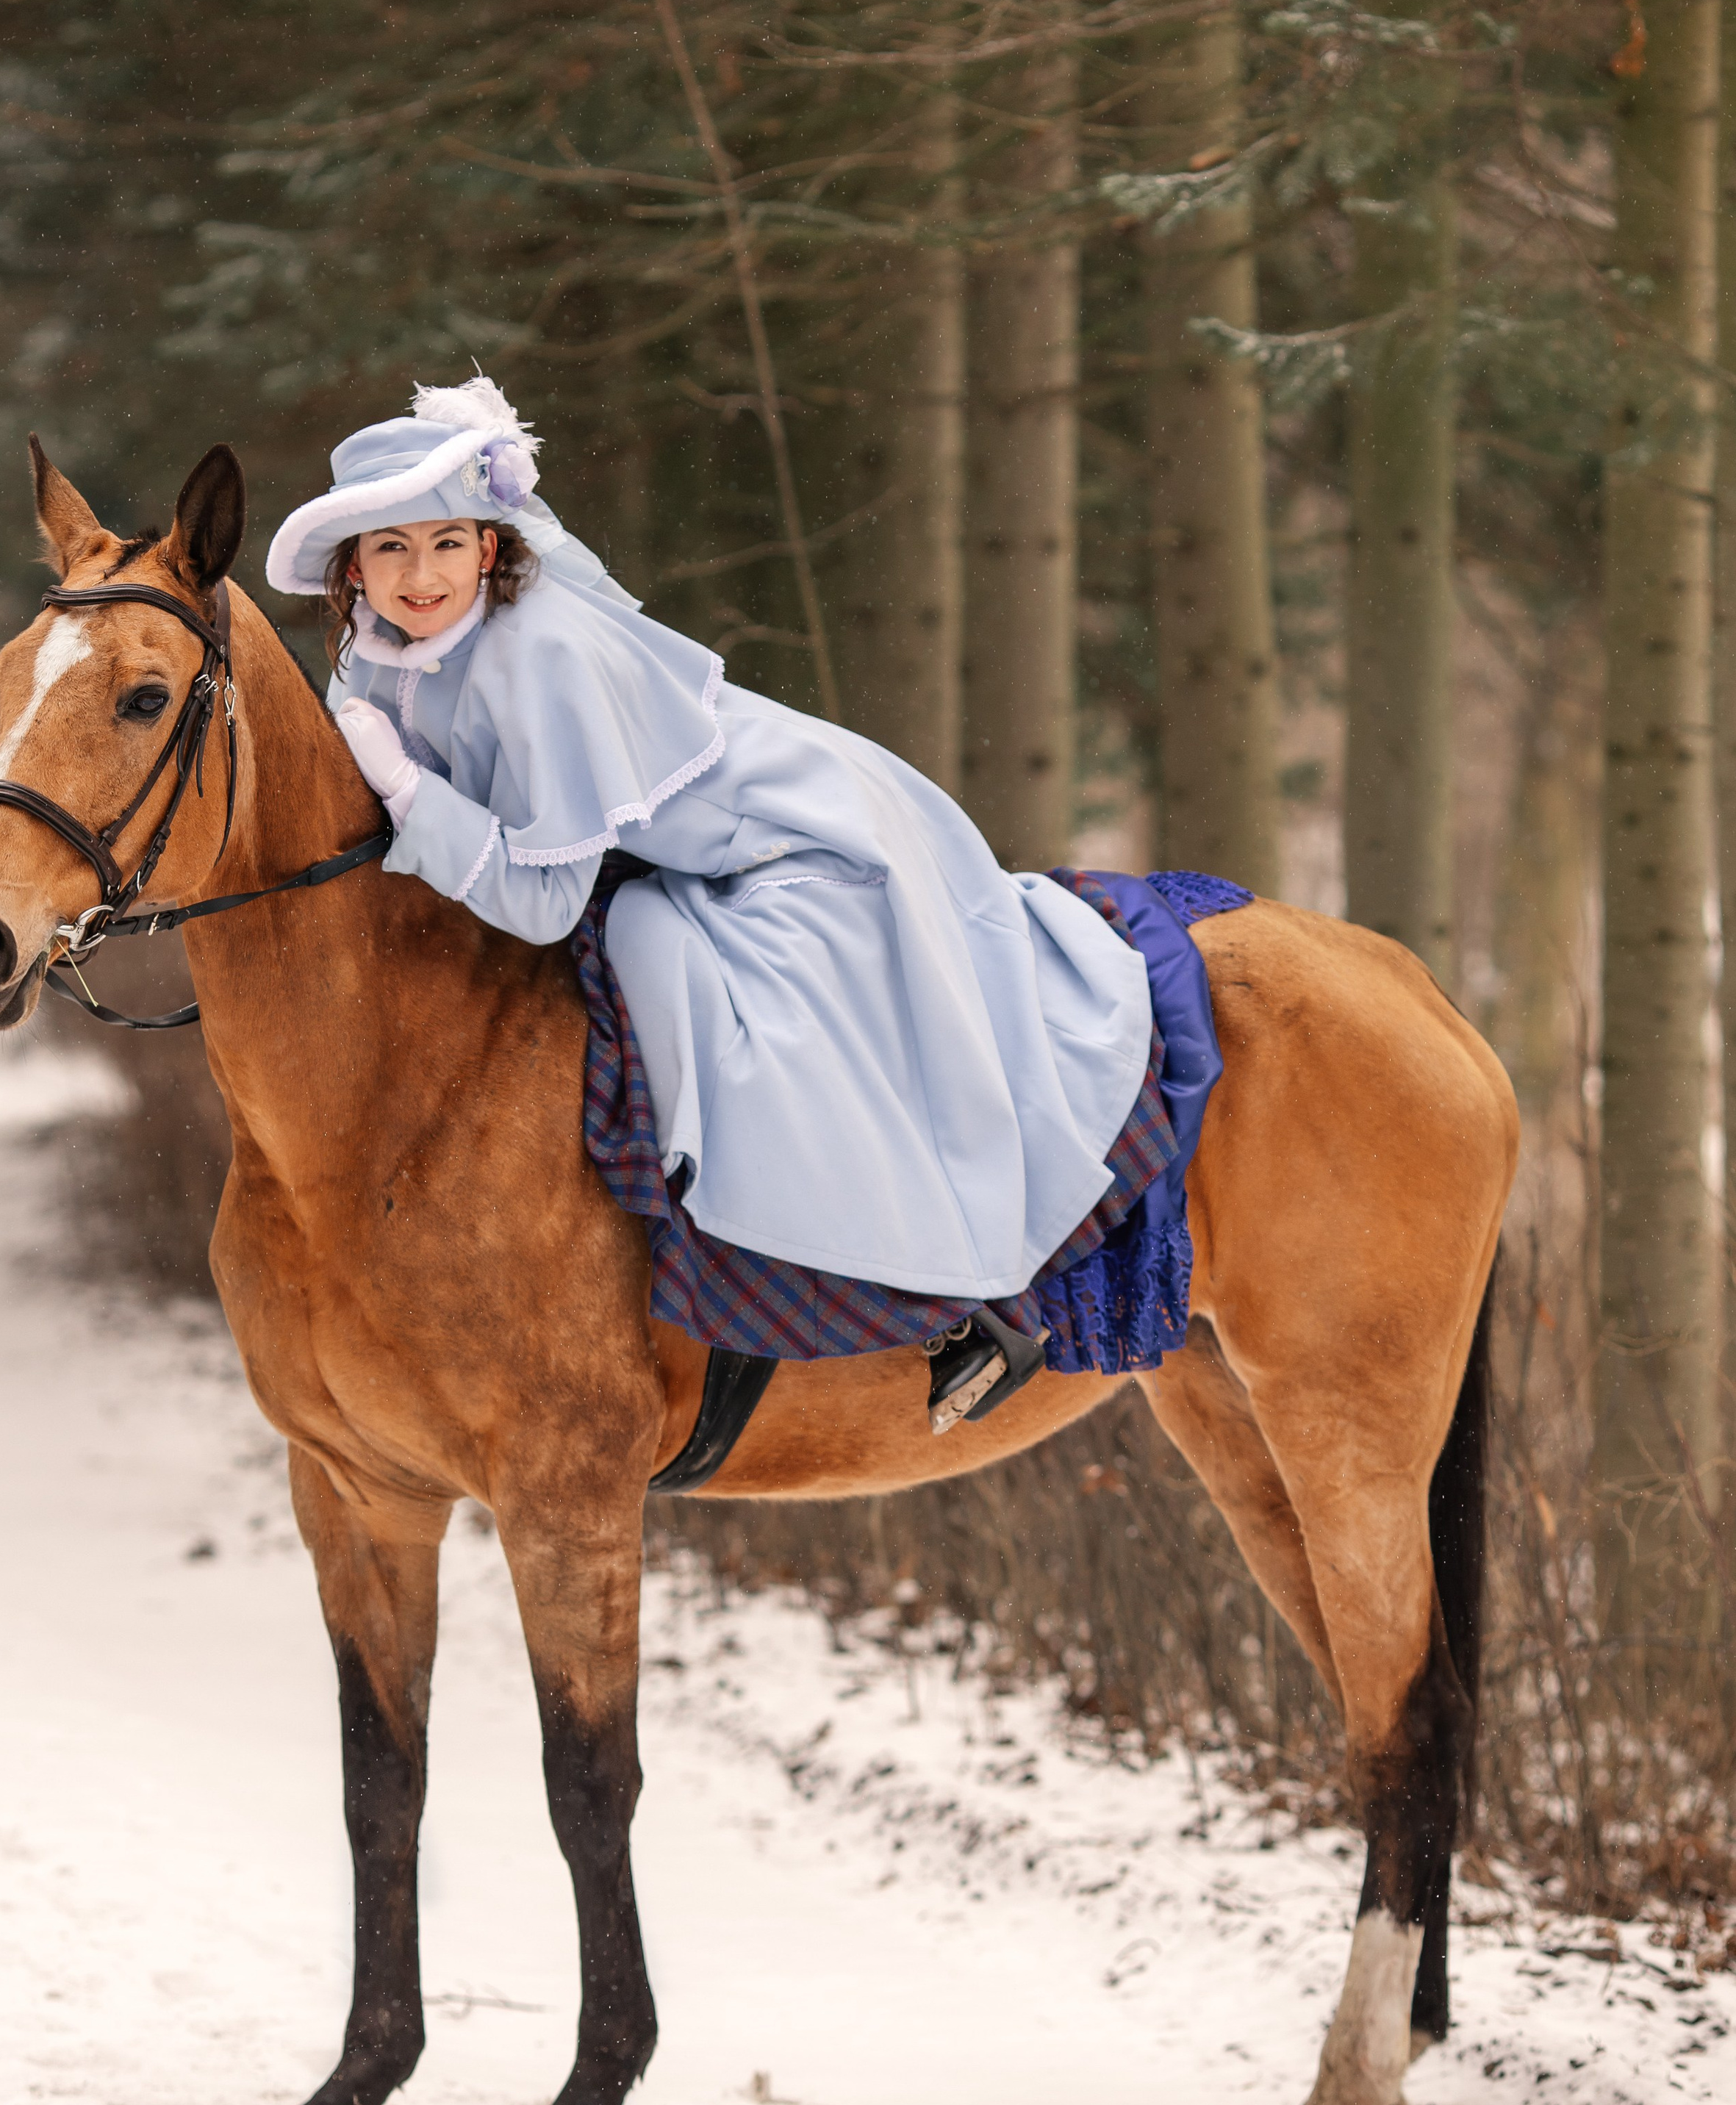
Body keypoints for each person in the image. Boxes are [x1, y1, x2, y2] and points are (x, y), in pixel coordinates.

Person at [266, 373, 1154, 1377]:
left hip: (794, 841)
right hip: (656, 853)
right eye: (390, 548)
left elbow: (549, 904)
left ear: (490, 546)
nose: (420, 577)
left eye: (446, 544)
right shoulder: (370, 655)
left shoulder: (539, 655)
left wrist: (407, 793)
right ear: (351, 570)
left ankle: (943, 1296)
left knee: (705, 997)